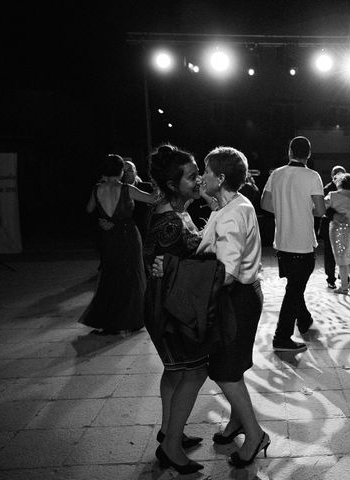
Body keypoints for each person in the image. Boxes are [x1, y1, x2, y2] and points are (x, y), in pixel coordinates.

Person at [196, 146, 269, 468]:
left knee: (225, 371)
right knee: (230, 368)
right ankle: (238, 422)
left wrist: (190, 284)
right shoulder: (233, 204)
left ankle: (255, 435)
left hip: (236, 298)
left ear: (221, 177)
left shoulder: (232, 213)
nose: (201, 176)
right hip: (242, 295)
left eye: (206, 171)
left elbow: (225, 272)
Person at [143, 145, 209, 474]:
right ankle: (170, 448)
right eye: (193, 175)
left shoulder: (175, 209)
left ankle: (170, 431)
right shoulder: (169, 219)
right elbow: (176, 265)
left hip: (165, 303)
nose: (199, 179)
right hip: (170, 308)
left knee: (174, 371)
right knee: (194, 371)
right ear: (173, 184)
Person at [261, 136, 326, 353]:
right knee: (294, 290)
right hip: (303, 242)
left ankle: (305, 321)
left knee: (295, 285)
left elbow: (265, 204)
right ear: (309, 154)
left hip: (282, 241)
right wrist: (301, 207)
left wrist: (285, 208)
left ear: (289, 151)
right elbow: (320, 211)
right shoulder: (312, 176)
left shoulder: (276, 174)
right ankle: (282, 337)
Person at [80, 154, 157, 334]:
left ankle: (110, 320)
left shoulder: (96, 189)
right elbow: (153, 199)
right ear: (121, 171)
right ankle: (132, 318)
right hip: (128, 235)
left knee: (111, 276)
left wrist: (103, 217)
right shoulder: (126, 188)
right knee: (132, 277)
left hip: (108, 237)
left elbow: (89, 209)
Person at [319, 165, 346, 289]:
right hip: (330, 224)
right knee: (330, 253)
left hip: (345, 226)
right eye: (337, 175)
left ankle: (342, 274)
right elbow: (323, 208)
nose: (339, 178)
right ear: (332, 176)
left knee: (344, 251)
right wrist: (336, 215)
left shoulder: (347, 188)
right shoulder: (327, 189)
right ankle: (330, 278)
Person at [122, 159, 155, 240]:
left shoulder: (147, 187)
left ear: (135, 173)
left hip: (143, 232)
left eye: (129, 170)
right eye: (123, 170)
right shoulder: (115, 189)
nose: (125, 173)